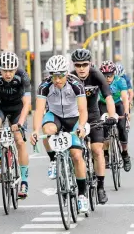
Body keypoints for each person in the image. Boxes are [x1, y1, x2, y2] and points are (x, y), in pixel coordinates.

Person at [30, 55, 89, 213]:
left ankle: (82, 196)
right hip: (54, 116)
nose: (57, 80)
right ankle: (53, 161)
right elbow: (39, 110)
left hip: (73, 118)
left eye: (61, 75)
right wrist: (35, 130)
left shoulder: (76, 84)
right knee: (47, 130)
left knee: (76, 155)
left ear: (66, 73)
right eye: (54, 76)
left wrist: (82, 126)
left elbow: (83, 110)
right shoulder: (44, 86)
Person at [0, 51, 31, 198]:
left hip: (17, 108)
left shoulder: (23, 76)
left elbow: (27, 102)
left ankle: (24, 181)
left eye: (11, 70)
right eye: (5, 70)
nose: (8, 74)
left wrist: (20, 123)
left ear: (16, 69)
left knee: (19, 141)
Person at [70, 49, 117, 204]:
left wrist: (111, 116)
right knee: (75, 154)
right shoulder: (70, 77)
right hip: (75, 117)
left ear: (90, 64)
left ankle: (101, 187)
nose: (81, 68)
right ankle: (77, 184)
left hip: (93, 115)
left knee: (97, 150)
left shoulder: (97, 75)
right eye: (78, 65)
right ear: (74, 66)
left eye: (85, 64)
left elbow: (109, 98)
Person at [99, 61, 131, 172]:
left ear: (114, 74)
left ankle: (125, 154)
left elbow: (125, 97)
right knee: (103, 129)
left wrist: (126, 112)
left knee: (122, 128)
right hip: (103, 105)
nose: (107, 78)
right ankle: (106, 154)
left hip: (118, 104)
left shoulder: (120, 81)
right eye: (105, 76)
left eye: (110, 75)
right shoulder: (99, 81)